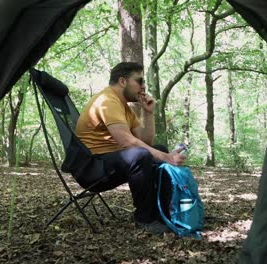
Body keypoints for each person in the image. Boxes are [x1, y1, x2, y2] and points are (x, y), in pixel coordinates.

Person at [76, 62, 186, 234]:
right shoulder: (107, 100)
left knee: (158, 148)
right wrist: (167, 157)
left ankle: (164, 212)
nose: (143, 87)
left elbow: (146, 142)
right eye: (140, 81)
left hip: (108, 163)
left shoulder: (124, 108)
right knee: (141, 156)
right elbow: (127, 142)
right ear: (122, 81)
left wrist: (148, 113)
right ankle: (145, 219)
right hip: (92, 170)